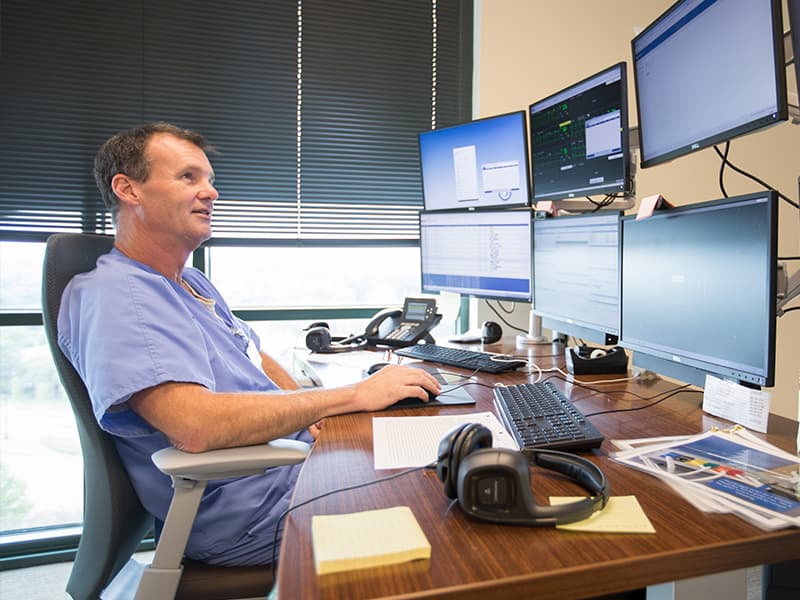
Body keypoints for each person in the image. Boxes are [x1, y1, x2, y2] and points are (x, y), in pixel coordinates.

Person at [57, 122, 440, 567]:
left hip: (283, 470)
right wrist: (348, 396)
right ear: (128, 189)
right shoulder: (117, 295)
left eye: (210, 180)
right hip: (249, 512)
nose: (211, 192)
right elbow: (194, 426)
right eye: (188, 177)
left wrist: (306, 405)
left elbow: (251, 354)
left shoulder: (187, 281)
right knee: (446, 501)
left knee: (441, 460)